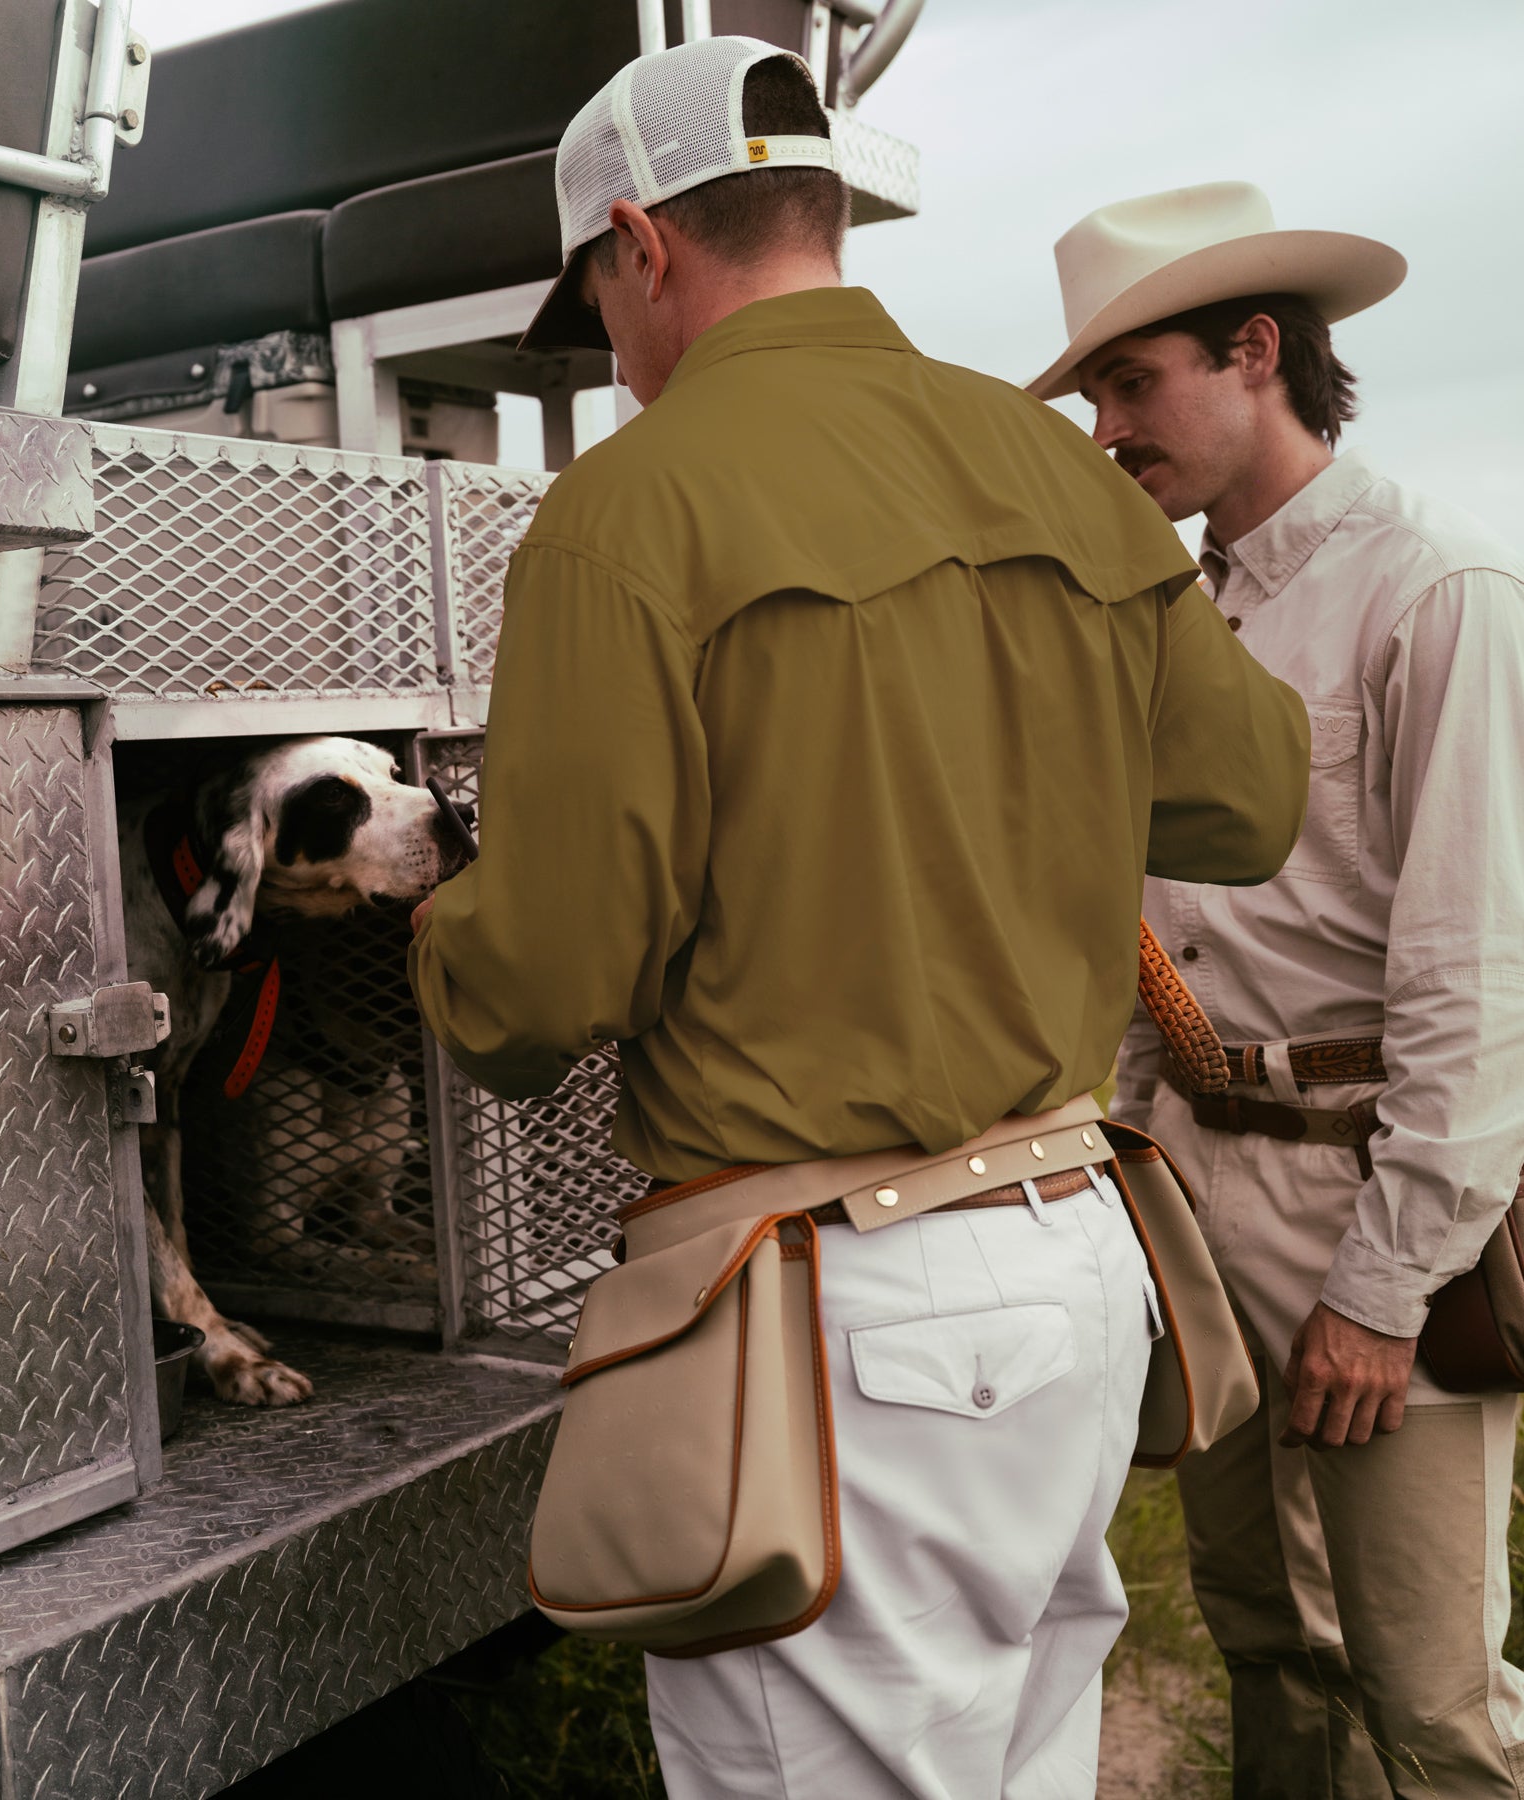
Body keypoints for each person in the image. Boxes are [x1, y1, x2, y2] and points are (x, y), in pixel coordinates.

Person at [410, 49, 1308, 1799]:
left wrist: (436, 921)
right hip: (1074, 1257)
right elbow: (1247, 804)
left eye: (598, 297)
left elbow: (543, 982)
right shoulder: (1053, 470)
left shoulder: (629, 507)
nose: (608, 341)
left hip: (845, 1318)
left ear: (638, 245)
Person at [1030, 180, 1524, 1797]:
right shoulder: (1172, 610)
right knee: (1266, 1642)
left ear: (1256, 351)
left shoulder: (1434, 589)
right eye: (1093, 393)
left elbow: (1478, 977)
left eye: (1130, 383)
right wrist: (1121, 1177)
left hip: (1382, 1196)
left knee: (1433, 1692)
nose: (1105, 429)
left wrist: (1386, 1292)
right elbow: (1147, 929)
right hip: (1198, 1185)